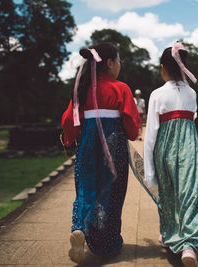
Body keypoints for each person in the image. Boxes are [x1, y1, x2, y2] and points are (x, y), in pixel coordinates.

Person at [61, 42, 141, 263]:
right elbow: (132, 123)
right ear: (109, 63)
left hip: (87, 144)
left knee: (86, 187)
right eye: (119, 60)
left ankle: (79, 227)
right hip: (113, 146)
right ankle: (107, 242)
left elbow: (69, 119)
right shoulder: (121, 88)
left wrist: (69, 139)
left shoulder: (82, 88)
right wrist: (133, 133)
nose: (120, 65)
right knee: (113, 192)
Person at [143, 42, 198, 267]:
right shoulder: (192, 93)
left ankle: (169, 235)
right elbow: (192, 119)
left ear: (162, 68)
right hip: (189, 147)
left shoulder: (157, 95)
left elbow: (151, 132)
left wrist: (149, 170)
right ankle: (189, 245)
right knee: (190, 195)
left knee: (168, 195)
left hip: (165, 149)